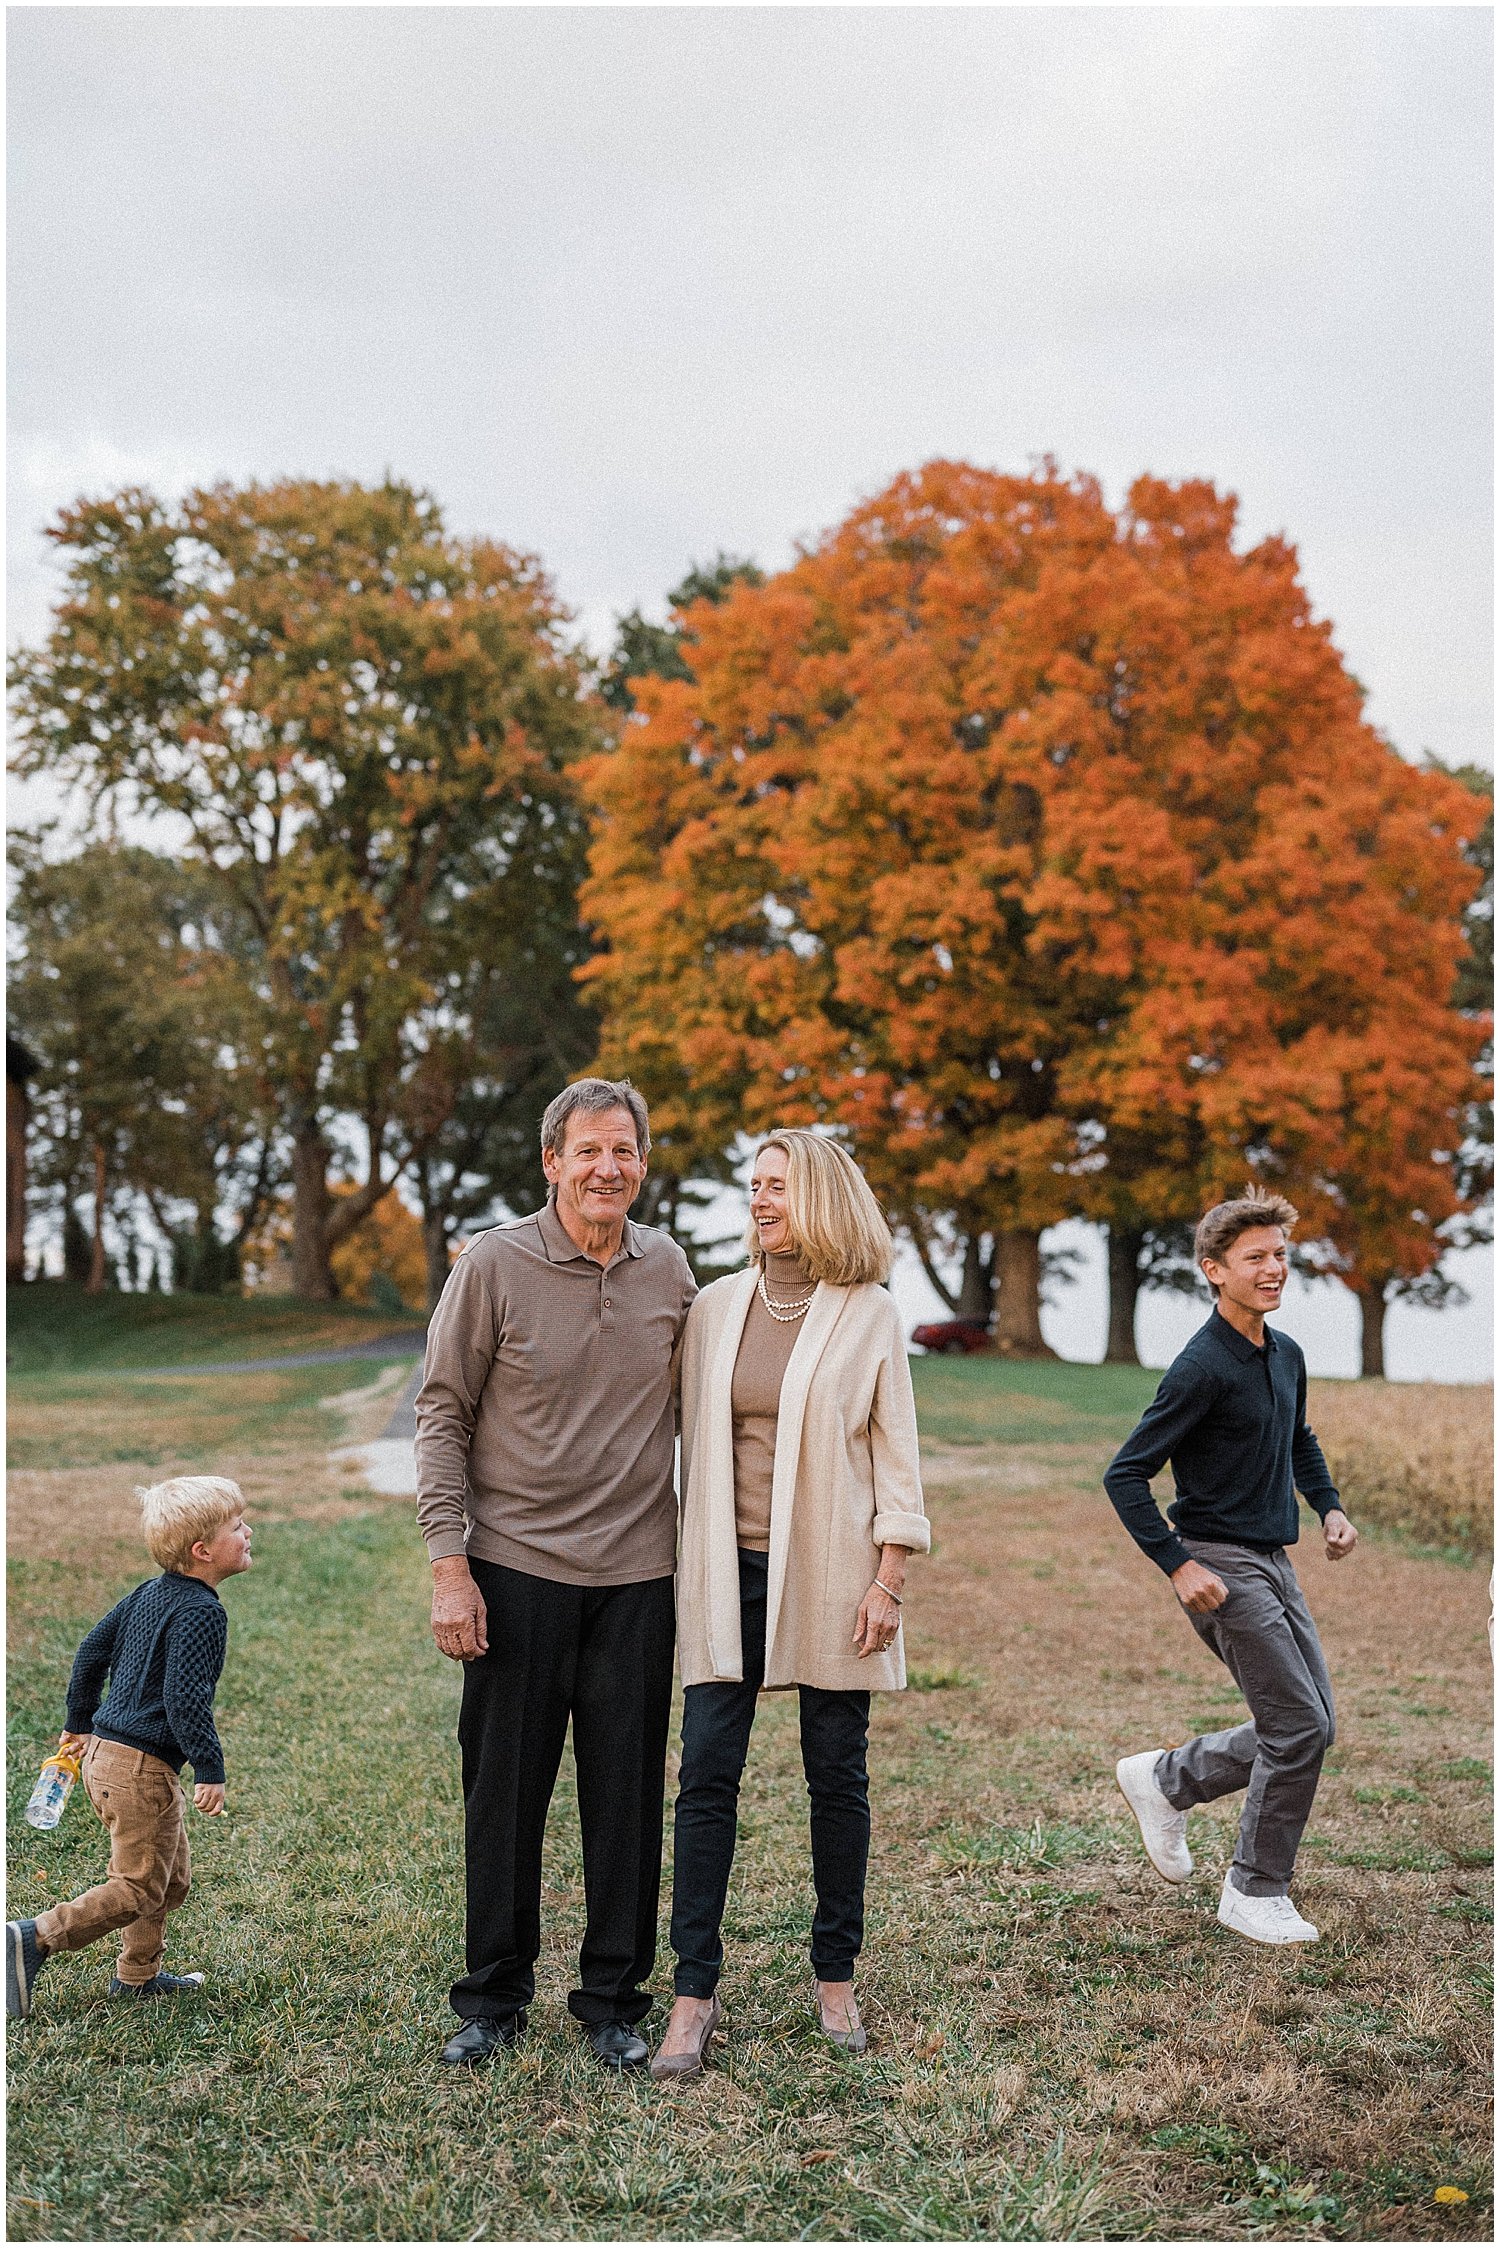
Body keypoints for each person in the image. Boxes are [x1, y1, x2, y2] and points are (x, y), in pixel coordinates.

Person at [416, 1077, 696, 2071]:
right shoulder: (493, 1263)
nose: (607, 1168)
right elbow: (441, 1410)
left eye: (624, 1150)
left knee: (624, 1799)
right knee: (506, 1794)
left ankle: (613, 2000)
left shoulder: (670, 1268)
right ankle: (493, 1998)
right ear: (551, 1162)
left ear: (642, 1164)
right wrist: (451, 1568)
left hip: (636, 1579)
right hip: (514, 1569)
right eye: (588, 1151)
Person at [650, 1131, 929, 2079]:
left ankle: (836, 1974)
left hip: (833, 1571)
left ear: (817, 1198)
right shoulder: (716, 1306)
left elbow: (898, 1458)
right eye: (753, 1187)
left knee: (834, 1774)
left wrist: (889, 1577)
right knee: (706, 1777)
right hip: (724, 1573)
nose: (759, 1201)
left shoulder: (871, 1314)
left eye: (776, 1187)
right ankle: (693, 1994)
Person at [1103, 1187, 1357, 1946]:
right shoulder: (1201, 1366)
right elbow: (1126, 1474)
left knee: (1315, 1725)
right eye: (1256, 1259)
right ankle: (1253, 1890)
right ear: (1214, 1270)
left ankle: (1166, 1780)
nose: (1274, 1269)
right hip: (1217, 1559)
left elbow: (1297, 1438)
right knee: (1296, 1726)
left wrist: (1329, 1506)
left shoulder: (1285, 1355)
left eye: (1280, 1255)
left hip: (1272, 1557)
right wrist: (1178, 1566)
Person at [7, 1476, 251, 2020]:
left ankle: (137, 1977)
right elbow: (184, 1700)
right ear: (203, 1550)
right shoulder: (201, 1612)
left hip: (110, 1759)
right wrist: (210, 1767)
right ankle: (32, 1938)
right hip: (139, 1768)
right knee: (138, 1886)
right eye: (238, 1527)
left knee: (170, 1878)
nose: (248, 1532)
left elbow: (90, 1651)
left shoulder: (149, 1591)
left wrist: (79, 1721)